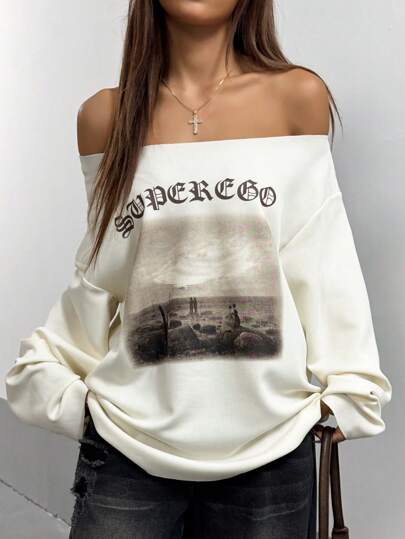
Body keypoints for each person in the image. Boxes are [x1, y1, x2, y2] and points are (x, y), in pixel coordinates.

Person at [5, 1, 392, 538]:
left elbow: (322, 259)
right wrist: (74, 403)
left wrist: (351, 388)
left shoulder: (298, 99)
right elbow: (103, 271)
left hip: (272, 451)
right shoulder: (104, 118)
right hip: (127, 450)